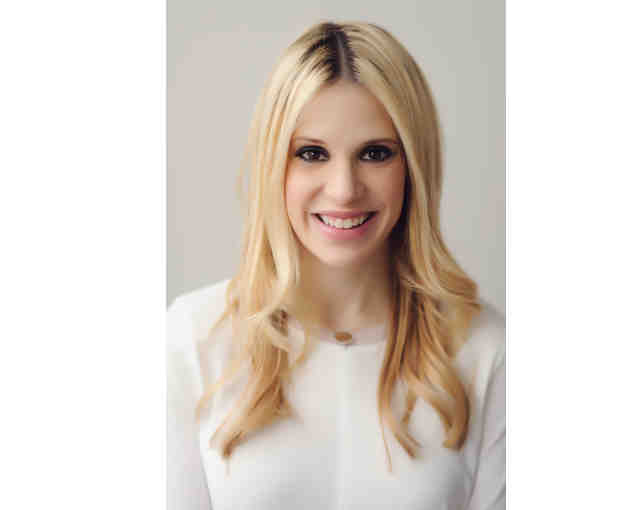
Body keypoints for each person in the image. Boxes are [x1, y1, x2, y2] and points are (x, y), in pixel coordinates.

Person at [167, 21, 505, 510]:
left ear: (414, 166)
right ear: (273, 165)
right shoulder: (191, 340)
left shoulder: (487, 351)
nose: (344, 189)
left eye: (375, 153)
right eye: (311, 153)